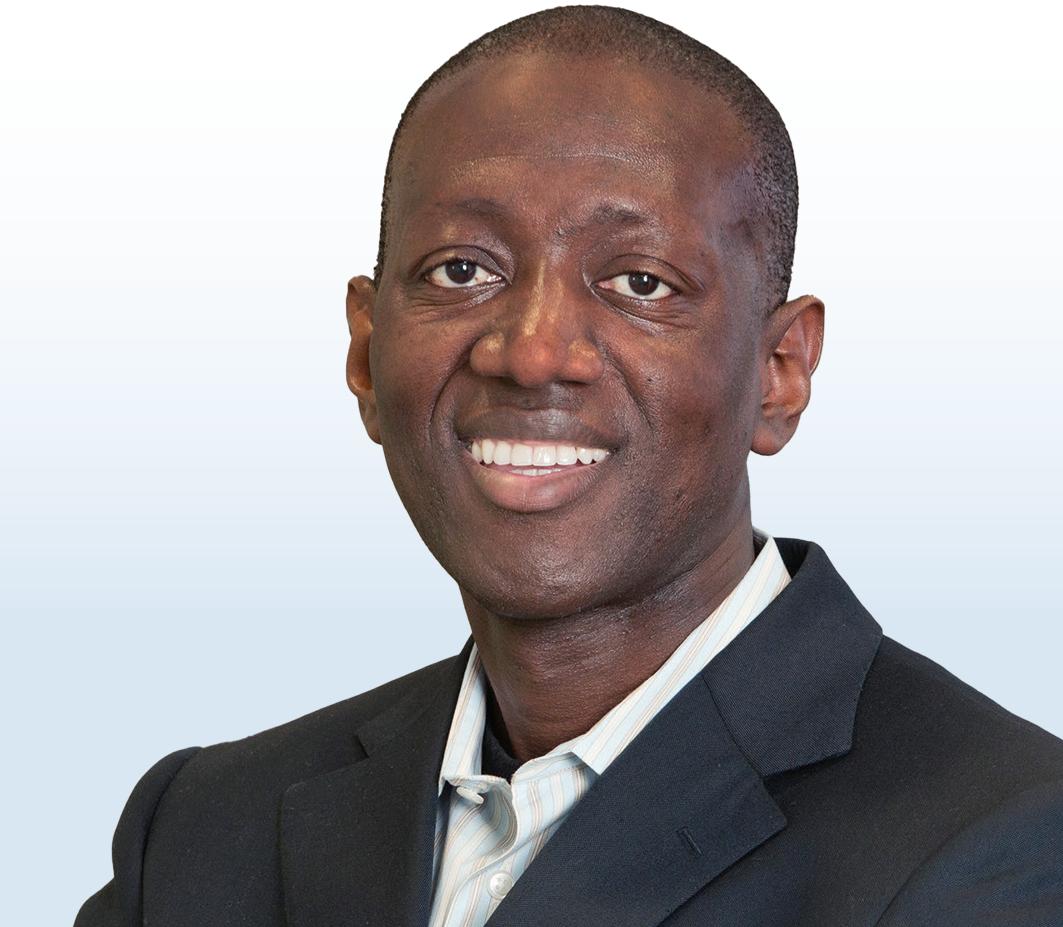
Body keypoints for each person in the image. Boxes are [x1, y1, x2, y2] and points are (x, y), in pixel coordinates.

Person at [75, 6, 1063, 926]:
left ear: (778, 372)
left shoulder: (1003, 843)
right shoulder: (204, 828)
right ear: (366, 354)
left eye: (640, 281)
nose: (531, 351)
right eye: (462, 270)